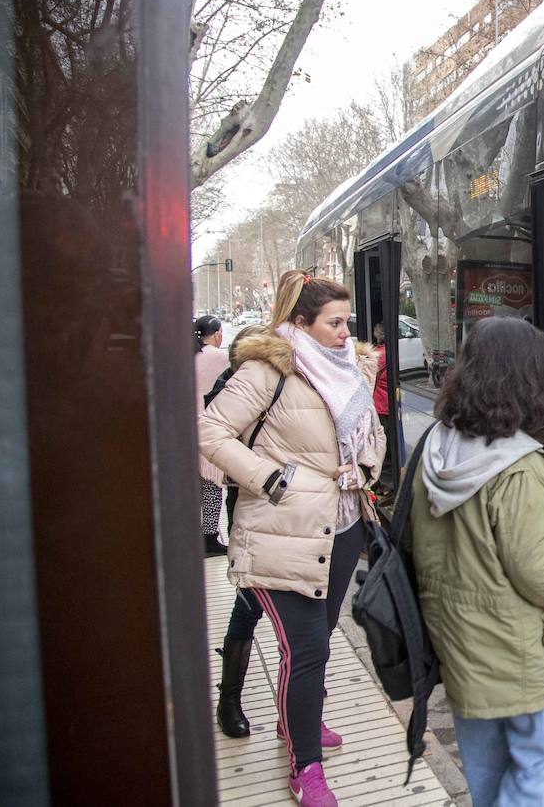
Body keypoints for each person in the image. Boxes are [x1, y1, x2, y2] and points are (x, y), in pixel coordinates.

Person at [200, 270, 385, 807]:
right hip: (283, 532)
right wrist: (270, 478)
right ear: (298, 323)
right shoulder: (267, 370)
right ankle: (306, 767)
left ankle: (297, 724)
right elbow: (209, 430)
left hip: (344, 527)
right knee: (305, 650)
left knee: (317, 647)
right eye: (333, 322)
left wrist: (365, 469)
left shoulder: (350, 366)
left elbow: (369, 434)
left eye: (347, 321)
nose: (344, 332)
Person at [406, 317, 544, 807]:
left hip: (461, 647)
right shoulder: (516, 466)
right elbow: (536, 570)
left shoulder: (438, 446)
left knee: (487, 771)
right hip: (517, 654)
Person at [205, 324, 270, 740]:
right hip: (250, 505)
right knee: (248, 602)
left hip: (295, 512)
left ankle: (302, 705)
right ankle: (229, 699)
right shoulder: (229, 389)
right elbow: (215, 438)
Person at [195, 315, 230, 556]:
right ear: (217, 334)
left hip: (183, 427)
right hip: (209, 424)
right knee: (212, 485)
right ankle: (209, 536)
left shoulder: (186, 355)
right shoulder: (220, 358)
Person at [371, 320, 396, 497]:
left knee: (381, 446)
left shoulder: (377, 355)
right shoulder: (394, 353)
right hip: (391, 405)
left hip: (379, 406)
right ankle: (387, 483)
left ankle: (384, 482)